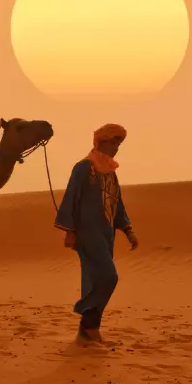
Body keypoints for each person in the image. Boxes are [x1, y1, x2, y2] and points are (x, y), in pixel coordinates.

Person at [54, 123, 139, 343]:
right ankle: (85, 314)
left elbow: (116, 202)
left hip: (105, 233)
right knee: (109, 277)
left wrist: (127, 229)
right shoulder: (84, 167)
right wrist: (69, 231)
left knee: (95, 279)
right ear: (100, 141)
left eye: (119, 143)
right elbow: (71, 198)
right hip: (87, 233)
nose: (116, 147)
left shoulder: (110, 171)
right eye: (113, 142)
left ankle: (89, 329)